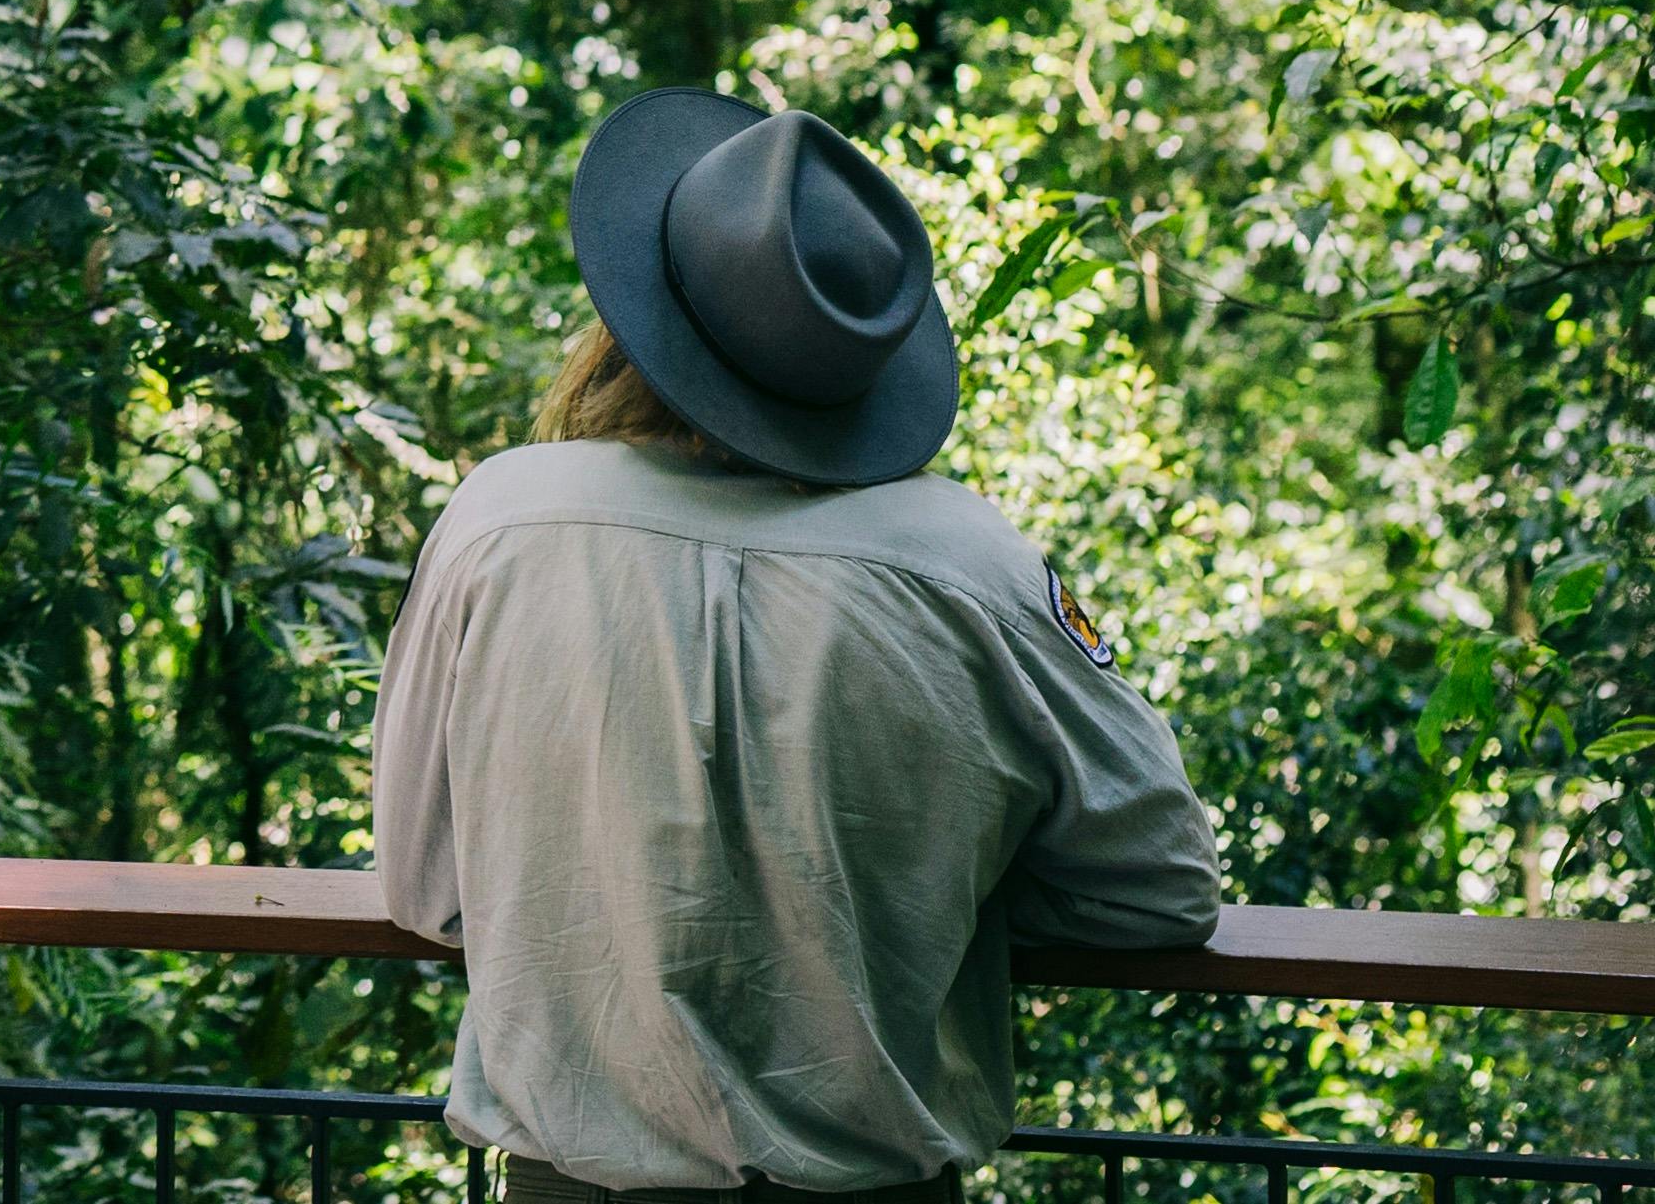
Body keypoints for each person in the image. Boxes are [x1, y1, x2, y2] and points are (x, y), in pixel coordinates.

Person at [373, 94, 1225, 1204]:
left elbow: (426, 888)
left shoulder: (498, 522)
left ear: (637, 319)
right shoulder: (972, 563)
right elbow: (1159, 890)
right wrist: (917, 897)